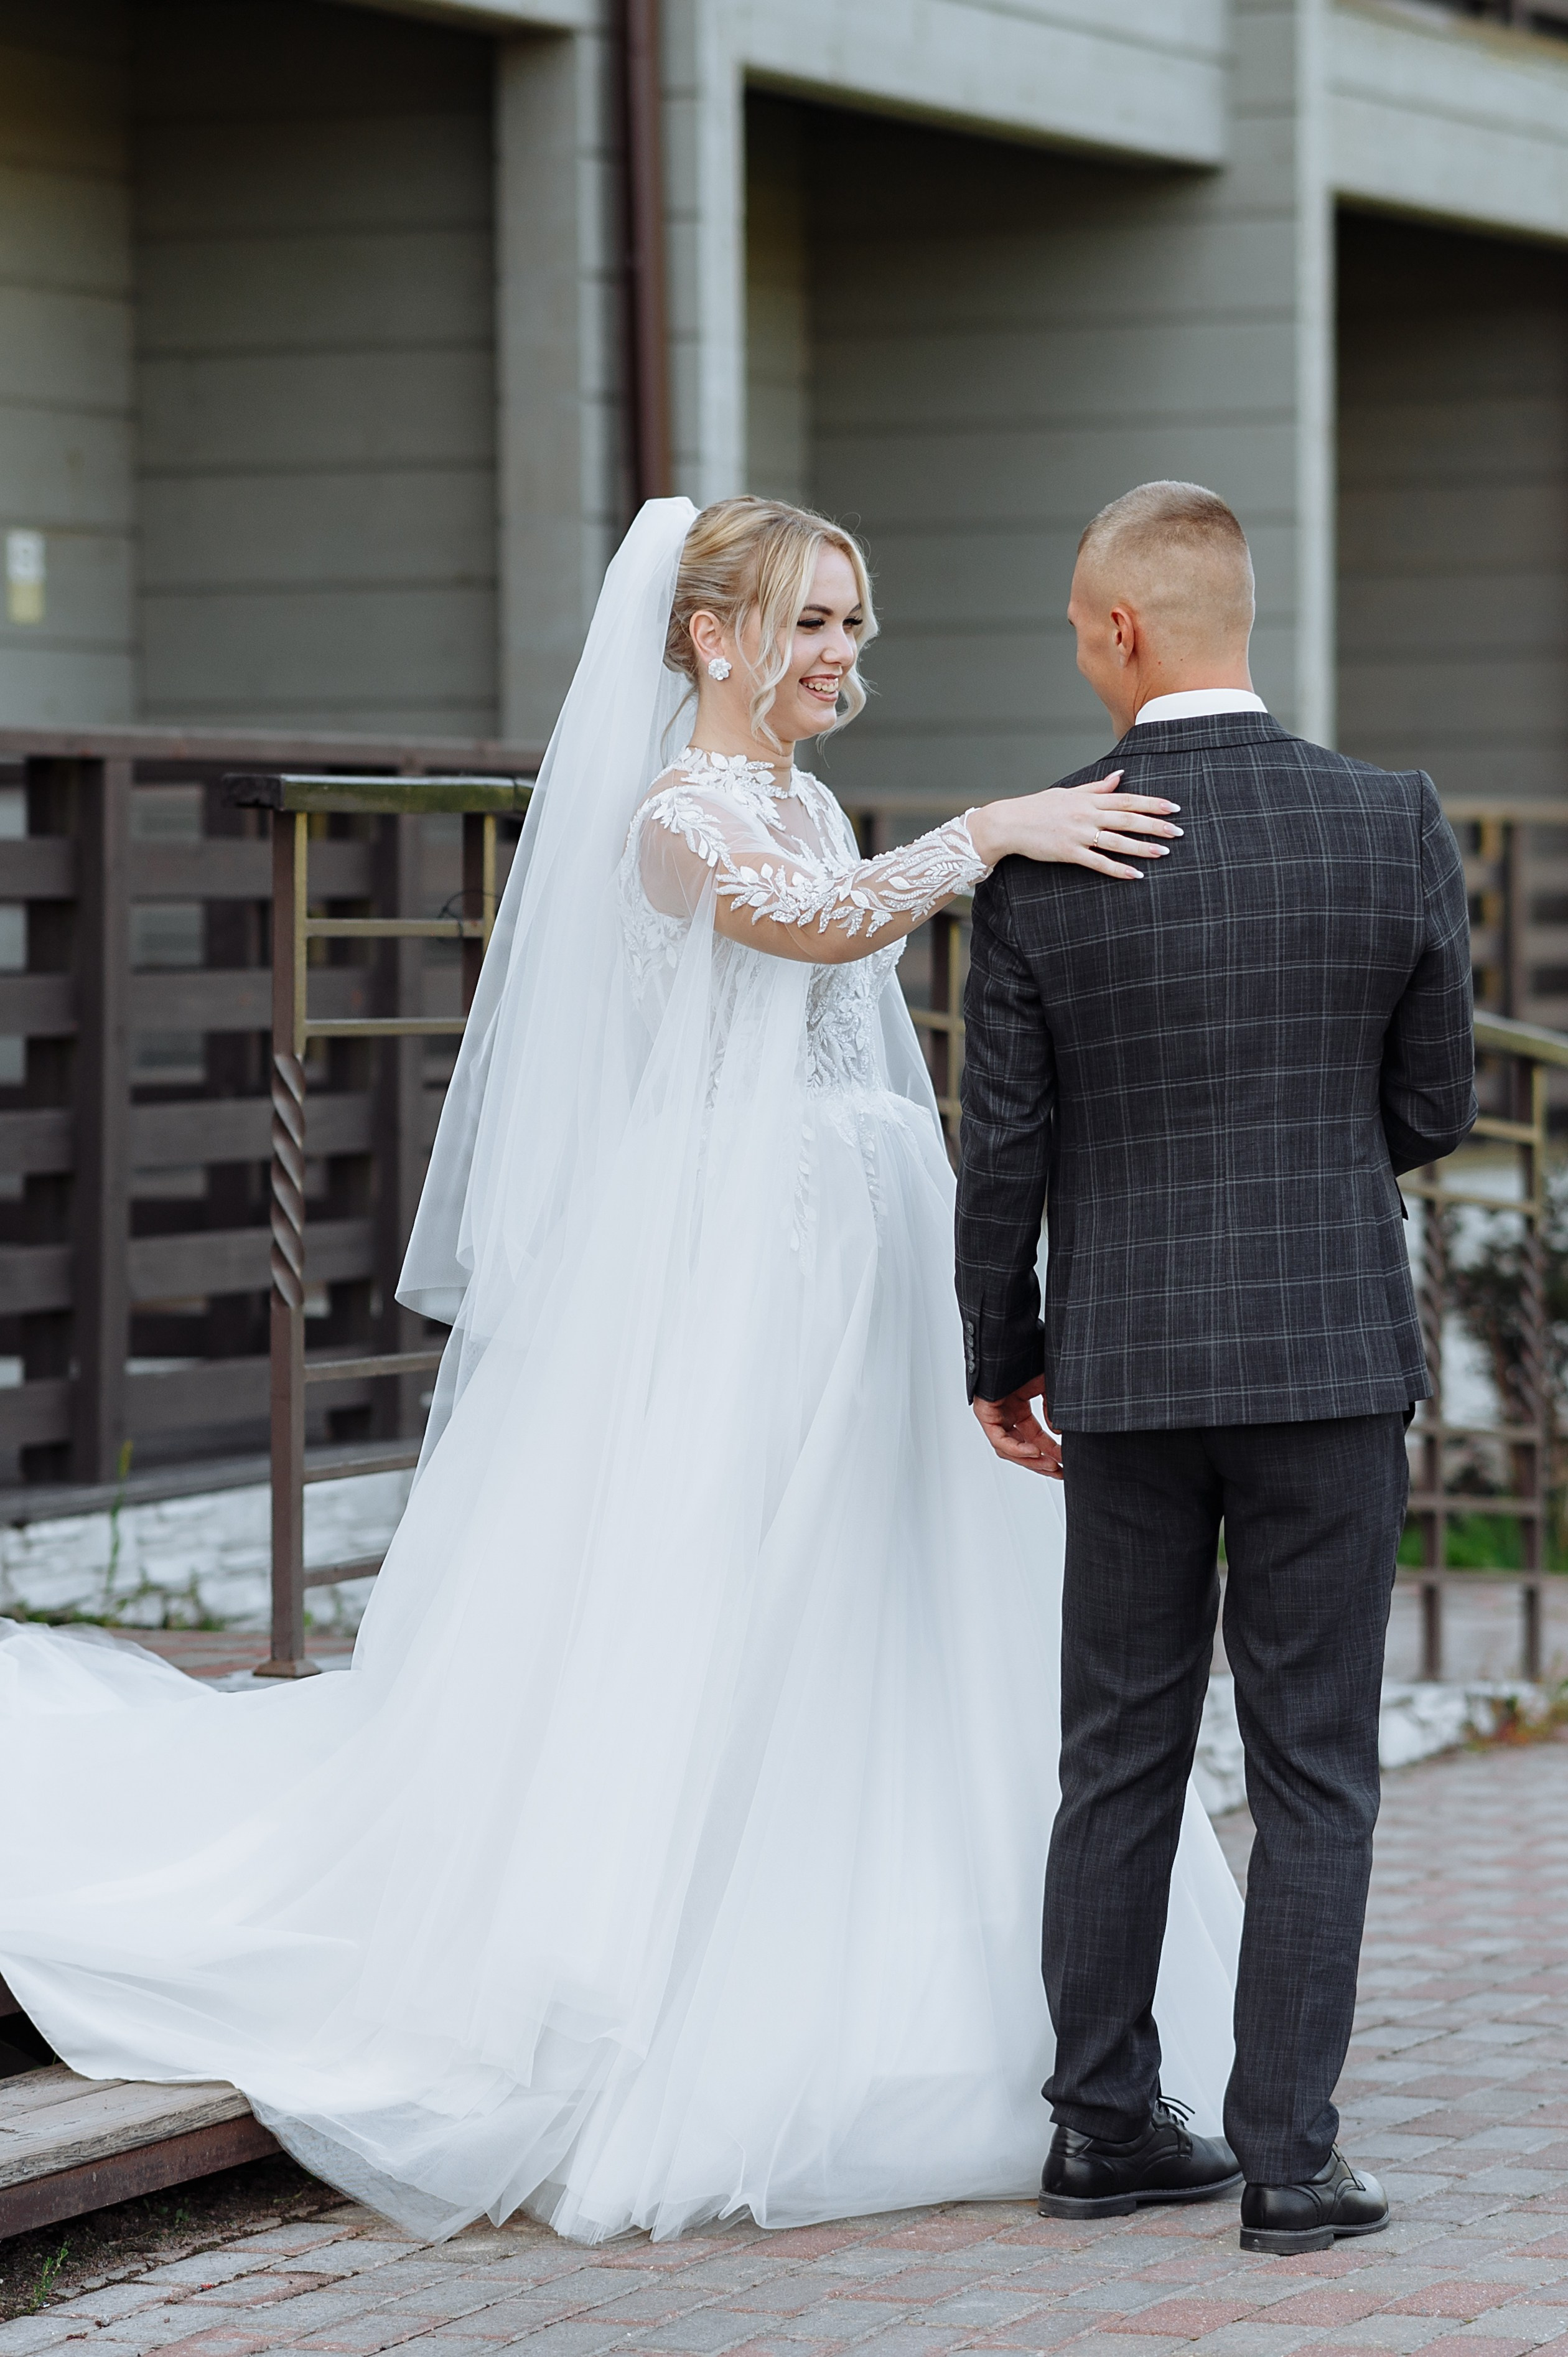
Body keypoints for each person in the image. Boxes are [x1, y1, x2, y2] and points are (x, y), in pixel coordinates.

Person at [0, 494, 1242, 2246]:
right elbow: (809, 928)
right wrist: (986, 834)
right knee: (718, 1590)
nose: (842, 659)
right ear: (710, 634)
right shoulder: (678, 814)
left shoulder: (805, 795)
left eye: (856, 628)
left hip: (859, 1243)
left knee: (885, 1602)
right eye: (811, 623)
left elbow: (849, 969)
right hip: (731, 1267)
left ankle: (938, 1987)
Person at [956, 480, 1477, 2256]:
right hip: (1332, 1344)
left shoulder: (1044, 855)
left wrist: (1000, 1354)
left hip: (1126, 1366)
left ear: (1120, 629)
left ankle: (1102, 2124)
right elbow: (1435, 1103)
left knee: (1119, 1753)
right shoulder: (1390, 819)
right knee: (1316, 1762)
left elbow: (1003, 1152)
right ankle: (1294, 2163)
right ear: (1235, 616)